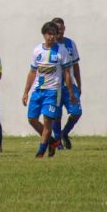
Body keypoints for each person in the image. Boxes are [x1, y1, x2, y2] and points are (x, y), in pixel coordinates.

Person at [22, 21, 74, 158]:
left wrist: (71, 92)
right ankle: (52, 142)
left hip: (53, 91)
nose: (51, 37)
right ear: (44, 34)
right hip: (38, 91)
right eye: (49, 34)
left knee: (47, 120)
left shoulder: (61, 51)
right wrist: (26, 92)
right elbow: (32, 72)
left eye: (54, 34)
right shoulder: (37, 50)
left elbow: (67, 73)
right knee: (32, 119)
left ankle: (40, 152)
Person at [51, 17, 82, 150]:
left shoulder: (70, 44)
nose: (60, 31)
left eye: (62, 28)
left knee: (76, 112)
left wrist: (79, 85)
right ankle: (58, 144)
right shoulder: (49, 46)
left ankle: (64, 133)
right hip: (55, 86)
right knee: (55, 116)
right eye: (57, 28)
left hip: (70, 86)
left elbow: (75, 65)